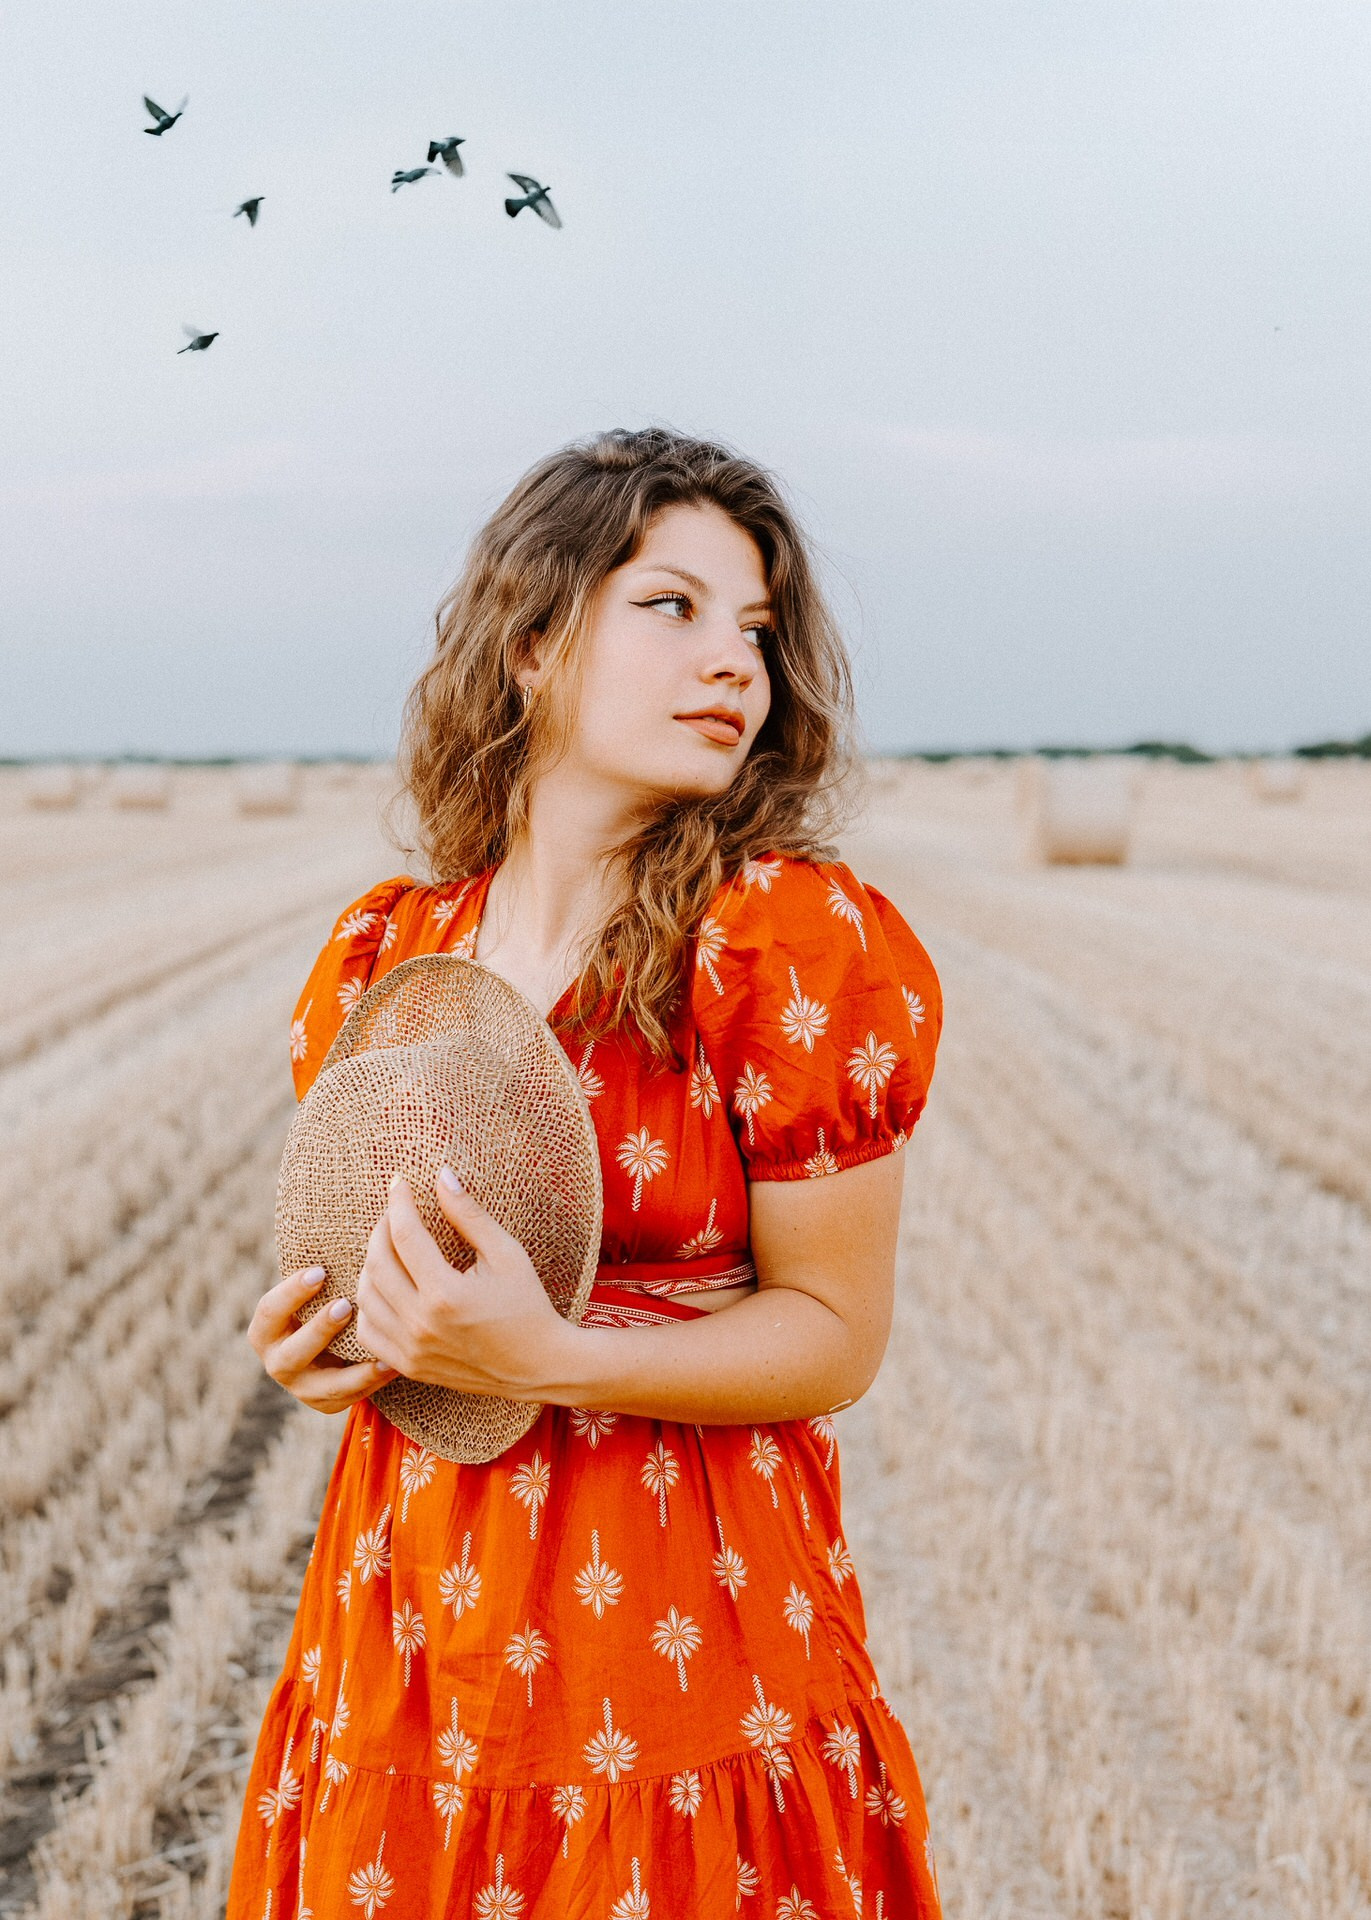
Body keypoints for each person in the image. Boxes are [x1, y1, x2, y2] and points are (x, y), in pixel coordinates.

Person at [228, 427, 944, 1918]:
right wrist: (325, 1349)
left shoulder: (782, 947)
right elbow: (373, 1271)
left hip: (685, 1641)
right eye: (670, 607)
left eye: (756, 626)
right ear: (536, 642)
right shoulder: (388, 957)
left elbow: (834, 1335)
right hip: (408, 1624)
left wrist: (553, 1355)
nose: (734, 660)